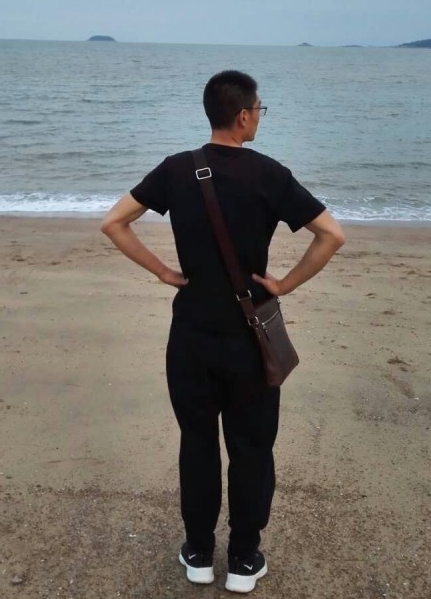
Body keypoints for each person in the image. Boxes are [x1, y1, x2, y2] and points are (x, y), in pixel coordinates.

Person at [100, 70, 345, 594]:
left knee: (197, 442)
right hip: (249, 340)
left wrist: (164, 273)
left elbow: (114, 222)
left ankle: (198, 553)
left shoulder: (176, 169)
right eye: (260, 110)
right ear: (243, 116)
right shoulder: (270, 175)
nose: (259, 118)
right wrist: (283, 284)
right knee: (252, 447)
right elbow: (331, 234)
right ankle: (243, 559)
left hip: (190, 335)